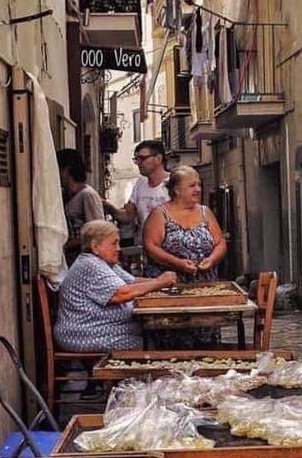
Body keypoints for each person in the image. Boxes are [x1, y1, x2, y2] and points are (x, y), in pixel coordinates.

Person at [54, 220, 176, 352]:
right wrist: (159, 283)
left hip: (100, 329)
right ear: (95, 247)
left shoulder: (106, 263)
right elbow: (121, 294)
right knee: (148, 342)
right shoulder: (90, 265)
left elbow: (132, 282)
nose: (118, 248)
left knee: (153, 334)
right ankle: (139, 372)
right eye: (114, 243)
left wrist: (159, 281)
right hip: (83, 332)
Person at [142, 164, 227, 347]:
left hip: (203, 289)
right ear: (176, 190)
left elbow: (220, 243)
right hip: (170, 290)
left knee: (205, 343)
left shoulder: (205, 212)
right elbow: (151, 247)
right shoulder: (160, 214)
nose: (197, 189)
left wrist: (211, 260)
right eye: (191, 185)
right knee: (172, 341)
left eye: (198, 185)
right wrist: (178, 263)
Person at [104, 139, 171, 245]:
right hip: (147, 247)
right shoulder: (140, 183)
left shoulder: (175, 182)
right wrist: (109, 208)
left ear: (158, 158)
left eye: (142, 159)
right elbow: (128, 216)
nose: (139, 163)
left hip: (171, 247)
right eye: (136, 159)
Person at [57, 149, 105, 265]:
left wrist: (71, 243)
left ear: (66, 170)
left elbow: (97, 231)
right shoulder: (64, 195)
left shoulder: (87, 195)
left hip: (82, 258)